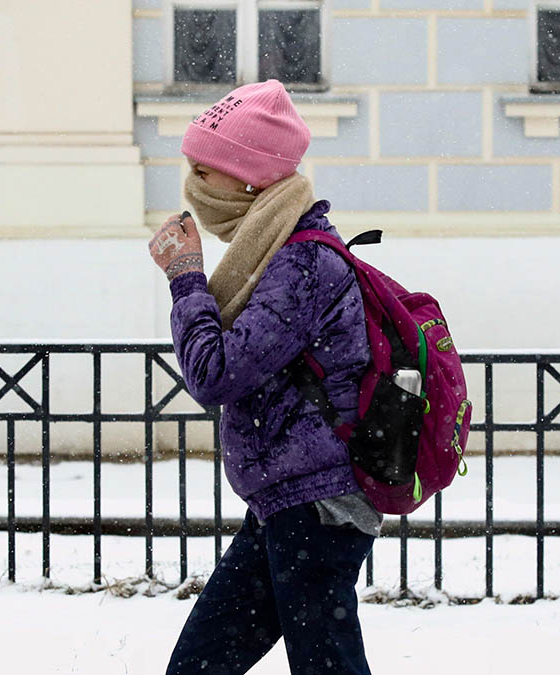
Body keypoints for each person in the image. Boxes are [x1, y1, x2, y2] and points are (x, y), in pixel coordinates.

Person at [148, 79, 381, 675]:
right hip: (285, 500)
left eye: (210, 165)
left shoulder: (303, 264)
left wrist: (186, 278)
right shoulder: (271, 257)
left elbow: (215, 373)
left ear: (253, 178)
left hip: (318, 505)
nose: (195, 177)